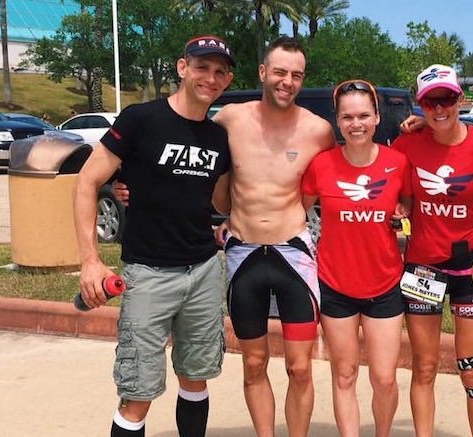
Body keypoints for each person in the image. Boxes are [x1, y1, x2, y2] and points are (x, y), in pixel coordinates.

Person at [74, 36, 235, 437]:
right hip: (147, 273)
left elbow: (223, 199)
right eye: (202, 67)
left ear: (227, 79)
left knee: (196, 378)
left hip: (201, 270)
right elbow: (86, 181)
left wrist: (237, 218)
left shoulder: (217, 138)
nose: (209, 78)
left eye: (219, 72)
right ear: (183, 68)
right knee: (138, 392)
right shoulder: (140, 119)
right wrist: (91, 261)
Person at [211, 36, 335, 437]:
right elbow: (188, 150)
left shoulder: (318, 131)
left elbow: (354, 161)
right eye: (280, 72)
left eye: (296, 75)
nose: (287, 81)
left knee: (300, 366)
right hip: (243, 253)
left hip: (293, 254)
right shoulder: (230, 118)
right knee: (252, 364)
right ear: (263, 72)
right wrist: (132, 185)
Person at [393, 64, 473, 437]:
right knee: (424, 367)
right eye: (431, 101)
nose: (440, 108)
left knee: (472, 367)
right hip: (422, 269)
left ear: (461, 99)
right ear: (420, 105)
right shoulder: (406, 145)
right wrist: (399, 215)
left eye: (446, 98)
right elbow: (401, 202)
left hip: (470, 267)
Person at [300, 79, 409, 436]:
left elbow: (405, 204)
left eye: (364, 115)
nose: (356, 123)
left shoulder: (397, 162)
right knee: (344, 374)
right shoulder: (322, 165)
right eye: (347, 117)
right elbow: (295, 211)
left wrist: (401, 214)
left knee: (384, 378)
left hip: (384, 284)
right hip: (335, 284)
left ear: (377, 117)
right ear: (338, 121)